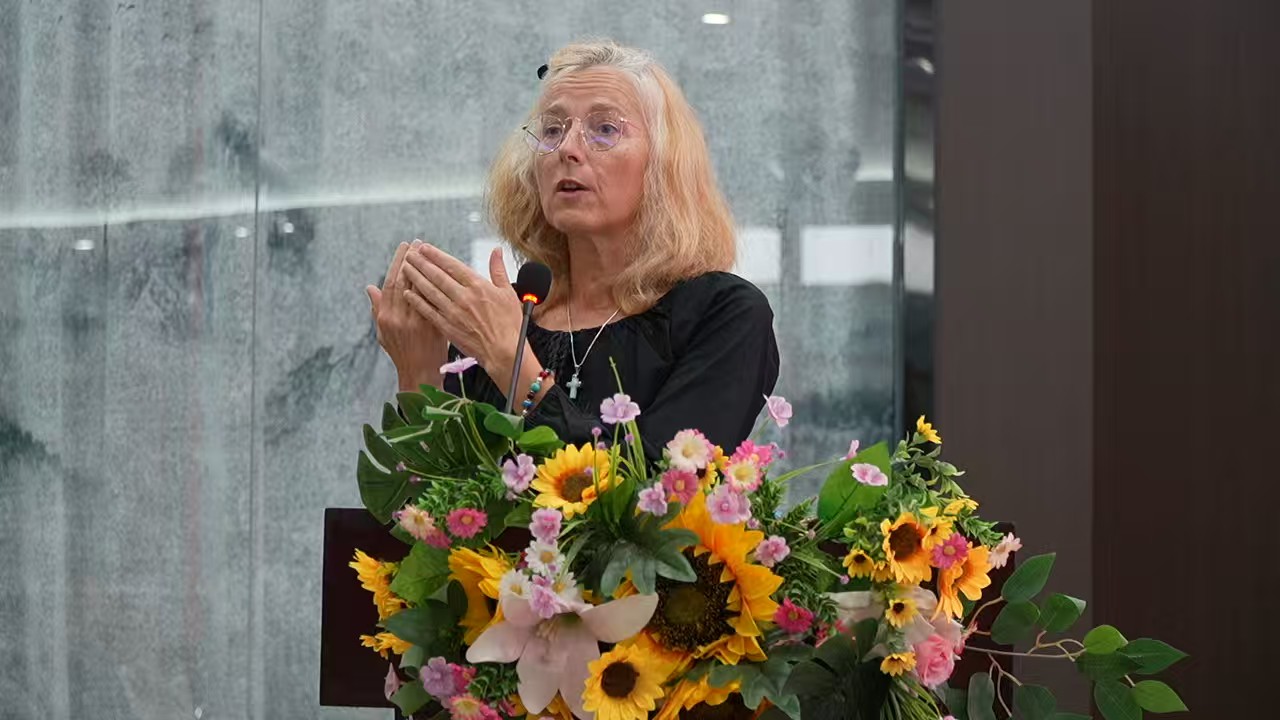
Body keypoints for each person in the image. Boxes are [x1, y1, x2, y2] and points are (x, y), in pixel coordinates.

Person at [367, 39, 778, 459]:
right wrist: (419, 373)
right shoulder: (501, 316)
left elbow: (661, 488)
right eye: (552, 130)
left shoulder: (723, 313)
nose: (567, 148)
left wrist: (511, 361)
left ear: (663, 163)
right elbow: (437, 497)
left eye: (605, 129)